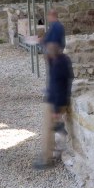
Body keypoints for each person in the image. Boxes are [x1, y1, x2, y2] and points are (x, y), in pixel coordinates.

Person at [34, 42, 73, 170]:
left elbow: (57, 87)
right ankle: (59, 128)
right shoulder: (64, 60)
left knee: (46, 130)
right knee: (50, 127)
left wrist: (56, 110)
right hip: (60, 99)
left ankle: (46, 159)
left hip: (54, 102)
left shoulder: (56, 67)